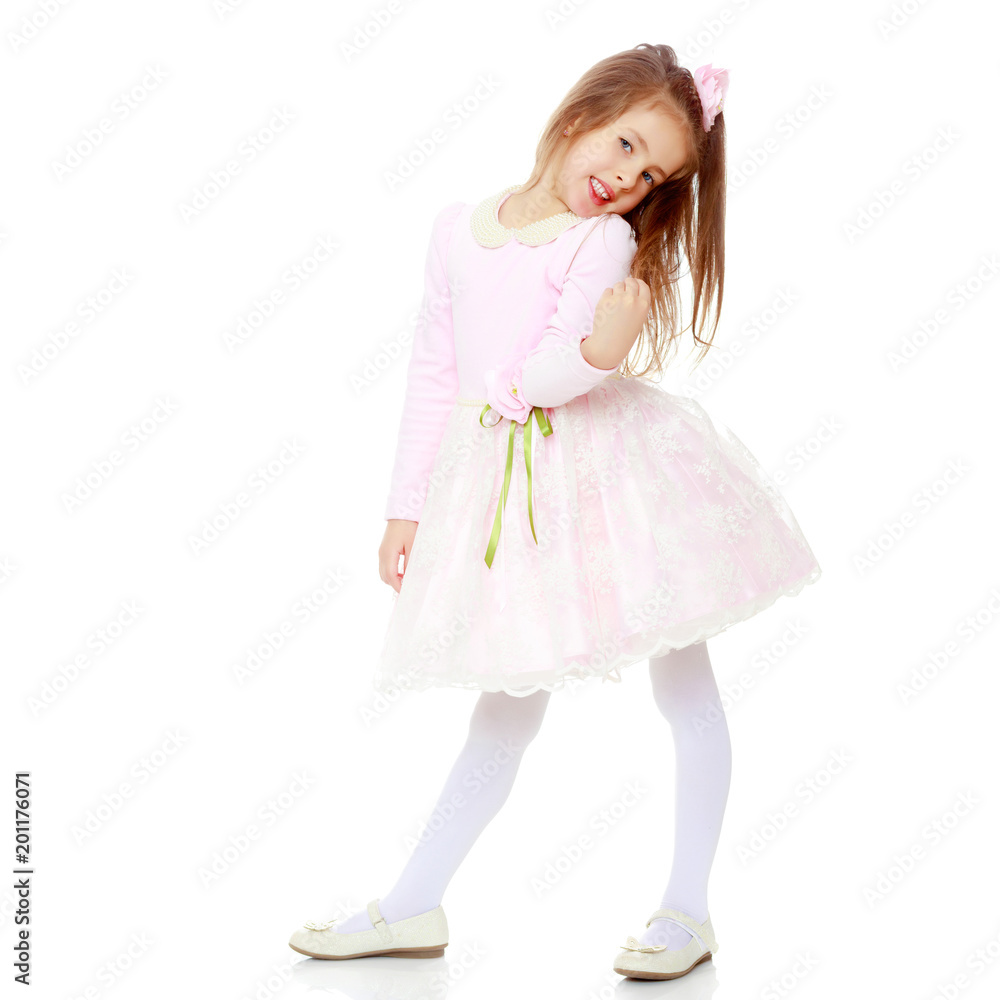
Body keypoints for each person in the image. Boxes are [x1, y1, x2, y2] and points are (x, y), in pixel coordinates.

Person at [288, 43, 821, 981]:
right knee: (507, 704)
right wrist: (405, 507)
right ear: (581, 113)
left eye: (649, 174)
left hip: (616, 485)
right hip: (515, 498)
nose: (623, 179)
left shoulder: (602, 243)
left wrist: (604, 351)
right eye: (621, 145)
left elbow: (558, 375)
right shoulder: (458, 228)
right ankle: (413, 904)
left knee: (681, 684)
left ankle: (686, 908)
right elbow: (431, 371)